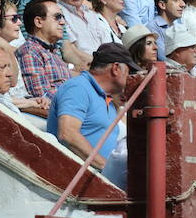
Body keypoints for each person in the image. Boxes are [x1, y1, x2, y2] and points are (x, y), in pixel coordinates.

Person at [48, 43, 141, 172]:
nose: (131, 77)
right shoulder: (78, 87)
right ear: (115, 68)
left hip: (98, 178)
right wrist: (108, 168)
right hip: (77, 178)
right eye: (129, 72)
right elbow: (67, 134)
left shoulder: (106, 97)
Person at [16, 0, 71, 99]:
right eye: (57, 17)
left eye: (63, 17)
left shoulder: (53, 52)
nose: (63, 22)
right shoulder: (30, 51)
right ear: (38, 22)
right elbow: (43, 97)